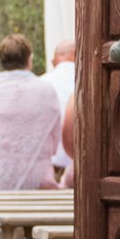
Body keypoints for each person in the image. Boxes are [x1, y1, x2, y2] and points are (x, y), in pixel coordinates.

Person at [0, 33, 63, 190]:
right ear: (29, 60)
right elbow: (54, 143)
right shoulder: (46, 90)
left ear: (2, 60)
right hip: (37, 182)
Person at [42, 43, 77, 187]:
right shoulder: (90, 81)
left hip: (49, 170)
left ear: (52, 61)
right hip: (80, 168)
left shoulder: (41, 83)